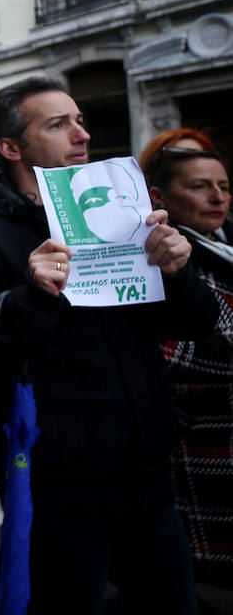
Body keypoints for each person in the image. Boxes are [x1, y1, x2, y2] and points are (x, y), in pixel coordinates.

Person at [0, 77, 219, 613]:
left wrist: (179, 271)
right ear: (11, 148)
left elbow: (199, 323)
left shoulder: (119, 219)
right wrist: (30, 295)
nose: (82, 134)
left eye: (80, 119)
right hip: (55, 481)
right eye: (59, 124)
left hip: (147, 470)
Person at [141, 135, 233, 593]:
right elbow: (172, 352)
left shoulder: (224, 246)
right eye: (200, 186)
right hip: (199, 447)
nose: (217, 197)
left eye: (223, 186)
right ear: (161, 197)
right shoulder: (159, 256)